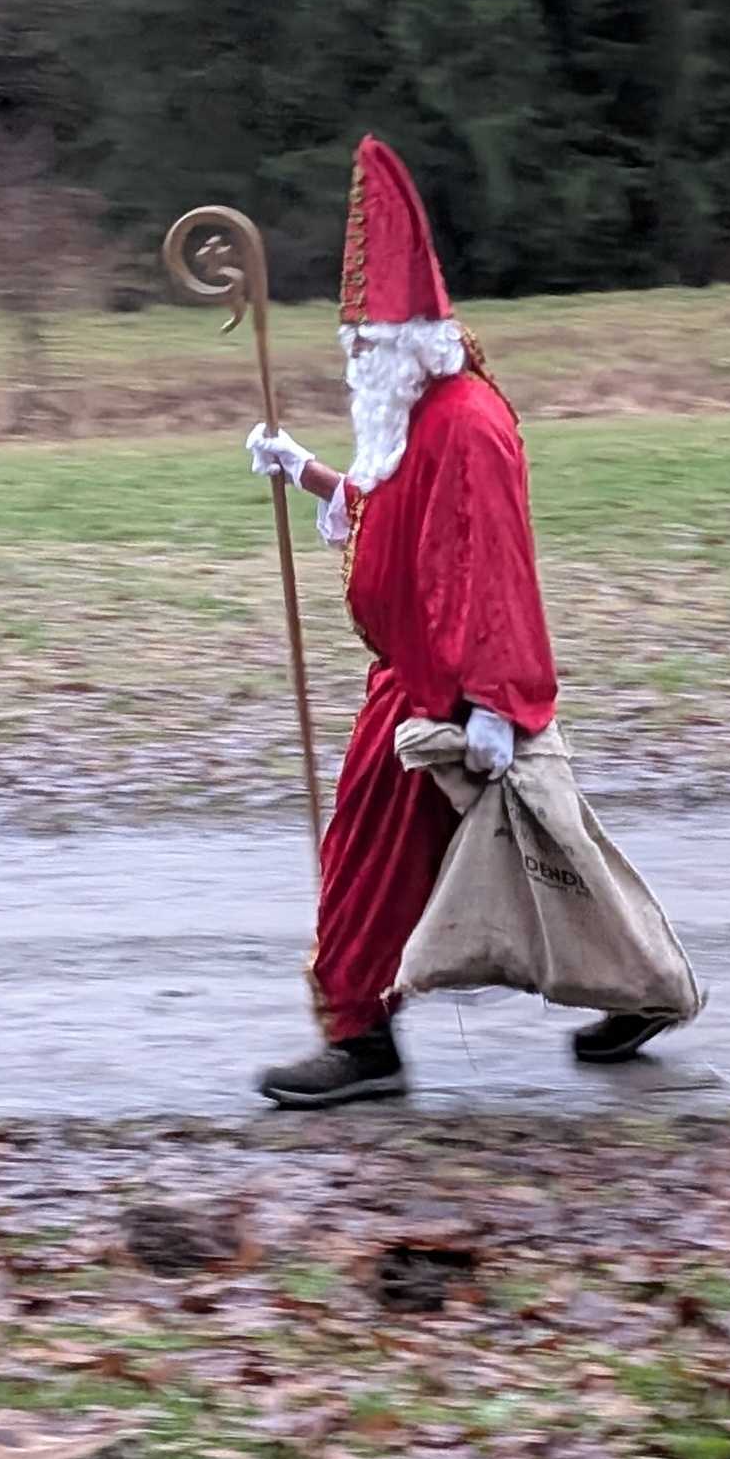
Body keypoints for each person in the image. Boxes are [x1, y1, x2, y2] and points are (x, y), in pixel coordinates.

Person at [246, 136, 681, 1106]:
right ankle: (643, 989)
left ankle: (362, 1041)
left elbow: (490, 569)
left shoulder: (466, 423)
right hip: (421, 681)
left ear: (407, 342)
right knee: (541, 855)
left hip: (450, 698)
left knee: (395, 864)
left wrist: (491, 706)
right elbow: (396, 517)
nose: (353, 360)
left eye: (364, 344)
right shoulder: (414, 419)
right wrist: (307, 472)